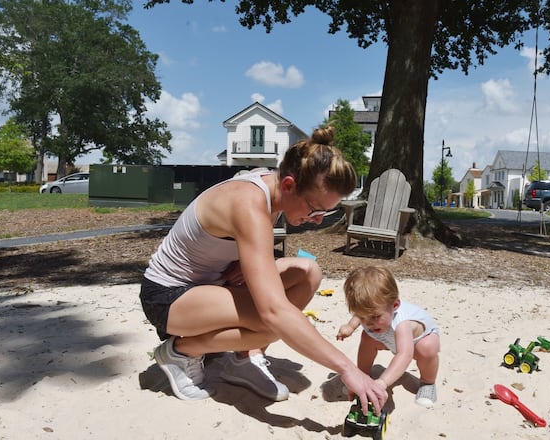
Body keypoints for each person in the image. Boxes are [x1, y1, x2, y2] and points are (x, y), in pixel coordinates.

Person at [139, 126, 387, 413]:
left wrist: (243, 262)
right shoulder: (248, 202)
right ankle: (181, 352)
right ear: (290, 185)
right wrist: (347, 368)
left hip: (210, 287)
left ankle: (242, 359)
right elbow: (275, 312)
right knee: (273, 323)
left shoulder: (271, 187)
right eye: (315, 209)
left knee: (309, 272)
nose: (316, 220)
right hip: (168, 298)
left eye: (325, 213)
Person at [336, 266, 441, 408]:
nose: (368, 322)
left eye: (375, 316)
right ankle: (363, 376)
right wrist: (350, 326)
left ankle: (428, 383)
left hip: (417, 341)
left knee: (427, 348)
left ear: (395, 305)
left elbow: (404, 355)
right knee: (367, 337)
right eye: (362, 317)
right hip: (389, 338)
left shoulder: (402, 322)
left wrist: (382, 383)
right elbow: (362, 314)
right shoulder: (371, 316)